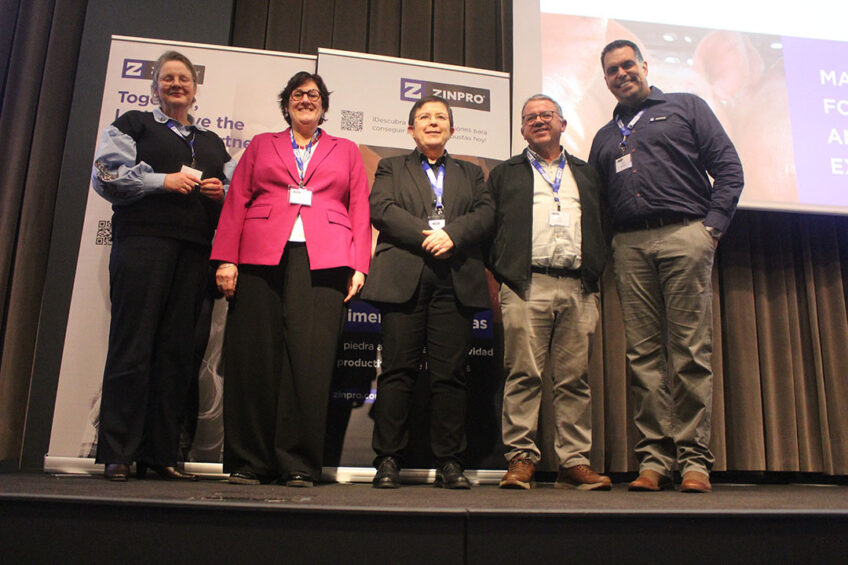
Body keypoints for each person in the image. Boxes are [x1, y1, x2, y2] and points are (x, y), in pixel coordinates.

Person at [589, 40, 744, 493]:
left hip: (685, 234)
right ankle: (654, 460)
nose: (621, 74)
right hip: (629, 246)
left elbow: (729, 169)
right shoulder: (603, 137)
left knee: (691, 351)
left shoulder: (686, 107)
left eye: (627, 65)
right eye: (612, 70)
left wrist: (709, 229)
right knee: (643, 357)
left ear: (644, 66)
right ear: (605, 80)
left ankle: (695, 461)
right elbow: (599, 204)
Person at [212, 72, 370, 487]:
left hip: (326, 258)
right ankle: (250, 461)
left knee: (310, 362)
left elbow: (359, 210)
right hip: (260, 254)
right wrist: (227, 257)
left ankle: (298, 463)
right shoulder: (263, 145)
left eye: (314, 95)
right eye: (299, 94)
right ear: (287, 104)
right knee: (254, 358)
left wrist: (359, 264)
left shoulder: (347, 149)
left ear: (324, 106)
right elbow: (236, 201)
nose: (306, 100)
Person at [91, 50, 234, 481]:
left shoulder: (210, 143)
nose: (176, 85)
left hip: (194, 254)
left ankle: (162, 454)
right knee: (132, 346)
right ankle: (118, 452)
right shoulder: (134, 124)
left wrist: (220, 193)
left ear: (194, 88)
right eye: (168, 79)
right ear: (155, 87)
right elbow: (106, 175)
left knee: (177, 354)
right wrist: (163, 181)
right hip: (143, 246)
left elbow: (237, 192)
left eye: (184, 79)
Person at [362, 95, 494, 489]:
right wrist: (430, 236)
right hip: (405, 277)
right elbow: (382, 209)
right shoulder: (390, 167)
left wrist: (451, 235)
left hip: (455, 280)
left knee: (449, 376)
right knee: (397, 372)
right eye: (424, 117)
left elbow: (486, 214)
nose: (433, 123)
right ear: (410, 129)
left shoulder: (471, 174)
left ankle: (450, 462)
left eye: (440, 118)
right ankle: (388, 460)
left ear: (452, 129)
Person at [487, 94, 610, 490]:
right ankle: (521, 459)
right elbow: (491, 228)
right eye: (530, 118)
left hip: (578, 287)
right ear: (522, 129)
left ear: (562, 124)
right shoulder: (505, 173)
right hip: (527, 285)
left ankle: (573, 463)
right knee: (523, 374)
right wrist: (506, 269)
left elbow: (603, 223)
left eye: (547, 115)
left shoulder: (587, 174)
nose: (539, 121)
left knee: (575, 380)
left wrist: (594, 270)